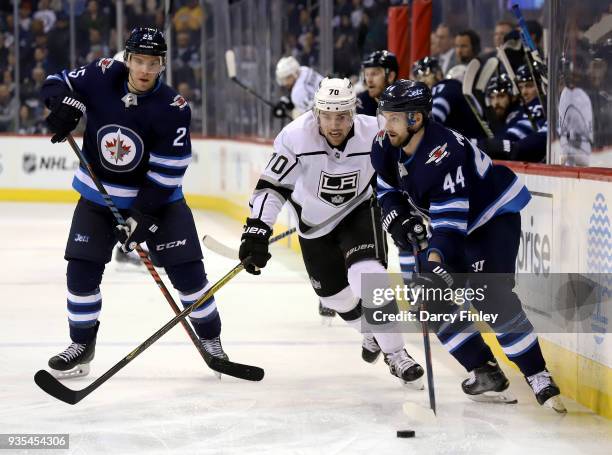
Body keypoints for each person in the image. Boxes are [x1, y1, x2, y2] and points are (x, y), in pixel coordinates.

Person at [40, 27, 228, 378]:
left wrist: (142, 215)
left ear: (163, 65)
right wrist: (62, 105)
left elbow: (169, 171)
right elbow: (55, 81)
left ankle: (212, 341)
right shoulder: (101, 74)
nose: (144, 70)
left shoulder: (173, 108)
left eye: (153, 63)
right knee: (80, 272)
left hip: (160, 203)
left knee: (188, 275)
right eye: (138, 61)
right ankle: (81, 345)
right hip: (99, 199)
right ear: (126, 59)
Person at [371, 79, 565, 412]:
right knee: (431, 303)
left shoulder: (443, 154)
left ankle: (538, 375)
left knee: (490, 295)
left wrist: (434, 261)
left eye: (393, 118)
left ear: (416, 119)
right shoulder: (385, 143)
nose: (385, 125)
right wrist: (398, 219)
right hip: (455, 225)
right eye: (383, 115)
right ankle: (484, 371)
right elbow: (386, 189)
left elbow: (449, 228)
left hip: (491, 217)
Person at [238, 77, 425, 387]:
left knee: (370, 275)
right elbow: (273, 186)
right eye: (327, 115)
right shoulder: (295, 136)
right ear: (316, 112)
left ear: (353, 112)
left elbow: (406, 164)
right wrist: (257, 230)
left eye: (342, 115)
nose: (334, 124)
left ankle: (397, 355)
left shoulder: (375, 132)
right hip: (313, 225)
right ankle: (371, 332)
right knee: (335, 297)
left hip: (359, 212)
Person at [412, 56, 486, 140]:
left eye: (425, 74)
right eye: (418, 78)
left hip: (471, 145)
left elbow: (435, 118)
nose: (422, 80)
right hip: (469, 143)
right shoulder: (450, 88)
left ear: (438, 73)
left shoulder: (446, 86)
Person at [478, 73, 546, 162]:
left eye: (501, 96)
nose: (496, 102)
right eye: (520, 87)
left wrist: (486, 145)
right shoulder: (510, 115)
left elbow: (512, 137)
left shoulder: (536, 105)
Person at [356, 50, 398, 117]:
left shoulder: (403, 105)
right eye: (366, 74)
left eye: (374, 74)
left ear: (390, 76)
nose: (369, 80)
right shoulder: (360, 103)